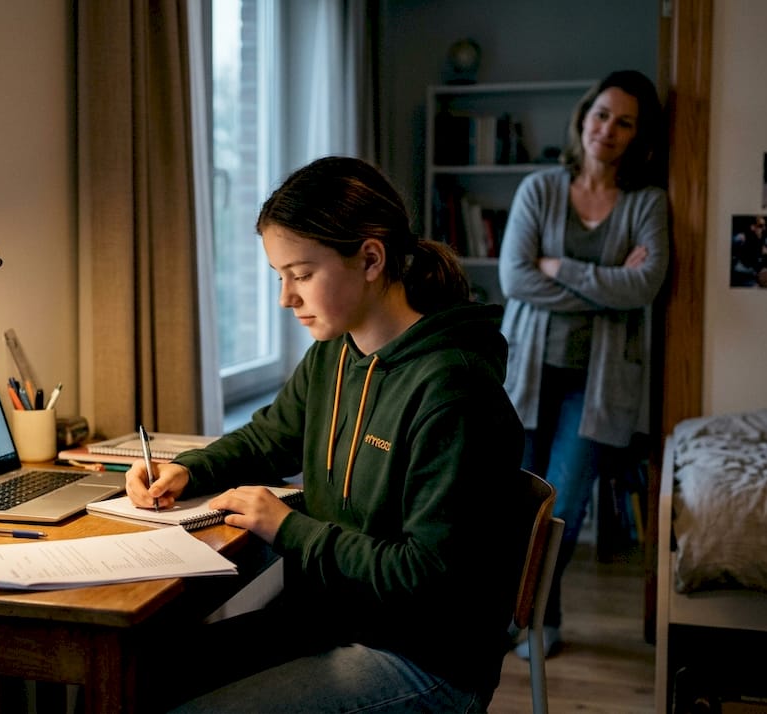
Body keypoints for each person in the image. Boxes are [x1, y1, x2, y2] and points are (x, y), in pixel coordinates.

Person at [128, 155, 526, 713]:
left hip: (424, 657)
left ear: (369, 258)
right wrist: (191, 467)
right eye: (280, 277)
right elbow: (268, 438)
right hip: (329, 623)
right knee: (138, 679)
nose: (285, 299)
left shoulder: (453, 389)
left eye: (302, 275)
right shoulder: (334, 356)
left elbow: (428, 577)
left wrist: (289, 528)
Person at [497, 70, 670, 660]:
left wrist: (561, 267)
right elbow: (514, 277)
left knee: (564, 505)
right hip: (526, 375)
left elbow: (645, 285)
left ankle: (535, 612)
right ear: (583, 117)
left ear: (638, 136)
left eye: (625, 122)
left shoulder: (647, 203)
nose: (608, 129)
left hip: (598, 386)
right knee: (512, 503)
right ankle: (516, 616)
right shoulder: (540, 189)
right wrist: (607, 282)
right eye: (602, 115)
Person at [730, 215, 767, 288]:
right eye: (761, 226)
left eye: (764, 226)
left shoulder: (762, 241)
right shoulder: (742, 238)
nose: (764, 228)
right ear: (753, 227)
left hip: (756, 273)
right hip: (744, 275)